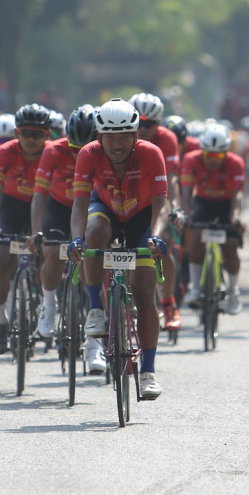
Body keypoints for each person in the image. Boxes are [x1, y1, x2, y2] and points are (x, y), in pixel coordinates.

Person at [68, 99, 169, 400]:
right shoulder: (88, 154)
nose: (117, 144)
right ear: (99, 137)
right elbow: (79, 204)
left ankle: (148, 372)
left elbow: (161, 206)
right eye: (110, 137)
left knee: (144, 292)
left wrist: (156, 238)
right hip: (106, 210)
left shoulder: (151, 153)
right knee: (94, 232)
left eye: (124, 136)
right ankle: (96, 309)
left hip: (142, 217)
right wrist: (77, 239)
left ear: (135, 135)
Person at [0, 104, 53, 354]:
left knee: (47, 257)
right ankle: (1, 323)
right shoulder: (4, 152)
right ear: (16, 133)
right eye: (26, 133)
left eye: (37, 134)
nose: (31, 139)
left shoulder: (52, 153)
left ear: (47, 135)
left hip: (44, 209)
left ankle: (44, 309)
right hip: (10, 208)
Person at [30, 104, 96, 338]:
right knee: (51, 253)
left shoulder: (105, 152)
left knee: (92, 264)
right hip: (59, 207)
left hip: (91, 207)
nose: (80, 155)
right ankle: (49, 305)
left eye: (86, 148)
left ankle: (95, 323)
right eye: (75, 149)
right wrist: (37, 231)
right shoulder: (53, 151)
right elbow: (39, 194)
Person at [179, 122, 246, 315]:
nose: (212, 160)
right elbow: (186, 191)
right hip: (204, 203)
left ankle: (233, 292)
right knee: (197, 236)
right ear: (202, 150)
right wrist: (186, 214)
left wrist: (235, 217)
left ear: (226, 152)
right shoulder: (191, 159)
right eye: (208, 154)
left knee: (230, 245)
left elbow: (237, 195)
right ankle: (195, 288)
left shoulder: (236, 163)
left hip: (226, 205)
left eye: (218, 156)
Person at [131, 92, 183, 330]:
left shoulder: (167, 138)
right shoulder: (121, 136)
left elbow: (171, 178)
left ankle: (168, 301)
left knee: (165, 243)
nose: (142, 128)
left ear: (158, 123)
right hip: (128, 195)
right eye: (138, 122)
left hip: (157, 194)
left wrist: (176, 208)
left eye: (148, 123)